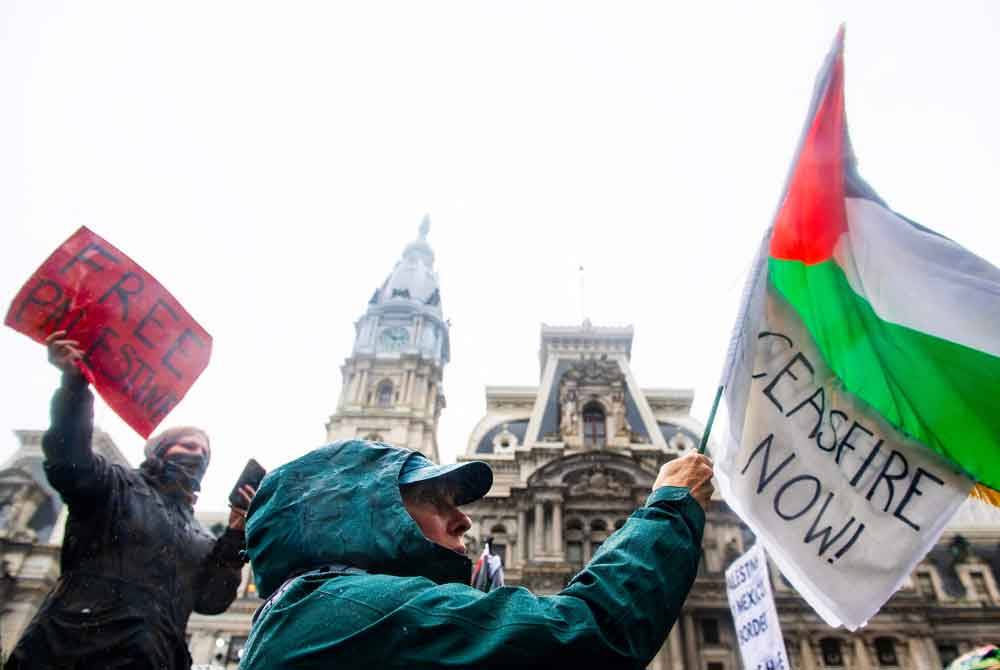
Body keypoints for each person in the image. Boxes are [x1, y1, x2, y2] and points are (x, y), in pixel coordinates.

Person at [239, 439, 713, 669]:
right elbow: (586, 636)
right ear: (364, 514)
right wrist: (671, 508)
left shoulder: (310, 609)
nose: (465, 520)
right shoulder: (357, 609)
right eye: (434, 501)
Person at [4, 331, 256, 670]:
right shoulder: (115, 487)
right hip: (72, 652)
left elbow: (212, 600)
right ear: (159, 451)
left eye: (203, 453)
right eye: (187, 445)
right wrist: (75, 387)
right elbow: (69, 460)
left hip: (151, 660)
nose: (196, 455)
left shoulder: (200, 536)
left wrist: (236, 531)